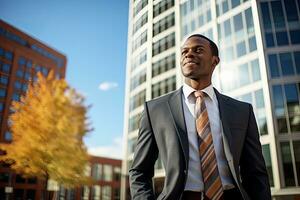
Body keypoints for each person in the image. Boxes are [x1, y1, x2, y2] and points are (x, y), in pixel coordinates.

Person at [129, 34, 271, 200]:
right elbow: (139, 171)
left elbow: (256, 173)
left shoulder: (242, 111)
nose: (189, 54)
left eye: (198, 50)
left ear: (214, 61)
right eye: (184, 52)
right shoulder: (155, 110)